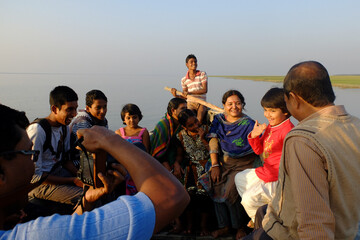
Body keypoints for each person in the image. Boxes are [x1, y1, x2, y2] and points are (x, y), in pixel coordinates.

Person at [0, 104, 190, 239]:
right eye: (28, 152)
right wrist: (109, 139)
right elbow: (172, 195)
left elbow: (72, 230)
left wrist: (86, 201)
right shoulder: (37, 234)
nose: (33, 162)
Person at [244, 61, 360, 240]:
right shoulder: (355, 125)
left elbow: (314, 222)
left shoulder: (303, 139)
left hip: (290, 234)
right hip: (348, 228)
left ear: (294, 98)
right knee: (262, 211)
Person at [234, 87, 294, 227]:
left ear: (285, 110)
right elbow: (259, 150)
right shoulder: (270, 127)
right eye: (266, 110)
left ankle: (261, 223)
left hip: (276, 178)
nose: (267, 114)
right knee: (240, 178)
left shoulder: (288, 132)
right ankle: (260, 213)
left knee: (248, 200)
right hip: (265, 171)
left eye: (272, 111)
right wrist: (254, 136)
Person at [206, 90, 258, 240]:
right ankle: (224, 226)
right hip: (224, 162)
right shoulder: (219, 120)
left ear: (243, 105)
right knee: (214, 185)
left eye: (238, 103)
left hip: (244, 164)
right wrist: (215, 165)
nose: (234, 107)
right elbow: (213, 140)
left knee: (229, 192)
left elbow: (257, 145)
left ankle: (239, 227)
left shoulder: (248, 123)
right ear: (224, 105)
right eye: (230, 104)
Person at [27, 86, 83, 205]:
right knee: (86, 197)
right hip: (39, 185)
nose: (74, 114)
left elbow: (65, 161)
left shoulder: (64, 128)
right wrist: (73, 180)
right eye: (69, 109)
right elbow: (35, 177)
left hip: (58, 173)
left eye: (76, 109)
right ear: (55, 109)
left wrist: (82, 177)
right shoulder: (38, 131)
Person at [174, 109, 212, 236]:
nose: (196, 126)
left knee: (204, 194)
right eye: (191, 125)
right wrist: (176, 164)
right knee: (189, 193)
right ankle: (190, 226)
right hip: (191, 168)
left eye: (196, 121)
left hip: (207, 166)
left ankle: (203, 226)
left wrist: (203, 139)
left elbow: (213, 151)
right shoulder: (180, 135)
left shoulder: (207, 130)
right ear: (184, 126)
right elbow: (180, 155)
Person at [115, 103, 150, 195]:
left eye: (134, 117)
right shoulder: (119, 132)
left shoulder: (143, 132)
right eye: (128, 118)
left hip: (139, 166)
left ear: (139, 117)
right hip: (124, 166)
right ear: (124, 119)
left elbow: (146, 150)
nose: (132, 120)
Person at [69, 89, 108, 167]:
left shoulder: (102, 120)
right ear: (88, 108)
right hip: (77, 161)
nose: (103, 111)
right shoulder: (82, 121)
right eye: (98, 108)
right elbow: (88, 147)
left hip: (92, 158)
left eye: (105, 107)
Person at [150, 98, 187, 178]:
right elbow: (159, 153)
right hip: (162, 159)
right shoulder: (163, 125)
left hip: (178, 156)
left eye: (186, 108)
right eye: (182, 109)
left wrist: (176, 162)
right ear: (173, 110)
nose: (185, 111)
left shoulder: (182, 123)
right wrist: (170, 171)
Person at [171, 54, 208, 124]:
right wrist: (176, 95)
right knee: (188, 119)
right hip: (190, 103)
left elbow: (204, 90)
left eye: (195, 62)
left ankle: (199, 133)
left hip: (201, 102)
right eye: (191, 62)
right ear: (187, 64)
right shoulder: (184, 80)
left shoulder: (202, 74)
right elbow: (185, 97)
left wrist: (190, 92)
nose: (194, 63)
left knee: (199, 119)